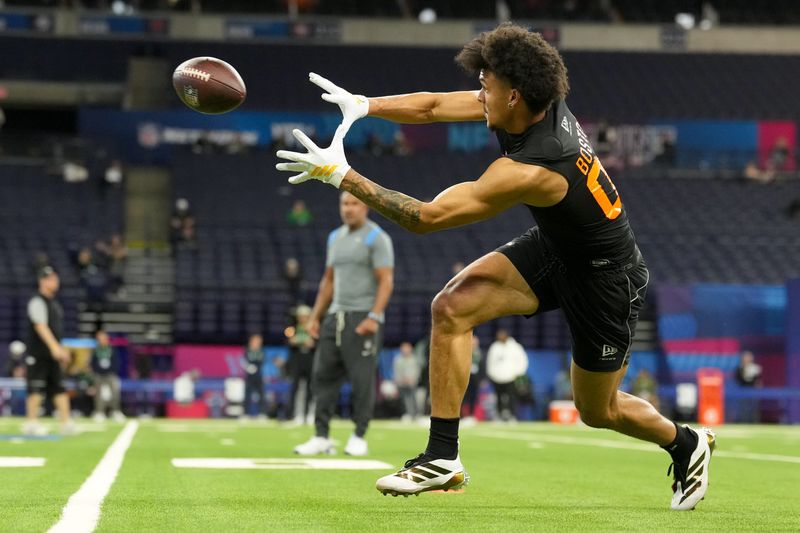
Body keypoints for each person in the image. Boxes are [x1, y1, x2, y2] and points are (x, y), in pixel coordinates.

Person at [276, 23, 715, 510]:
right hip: (557, 245)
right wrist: (365, 105)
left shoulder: (535, 167)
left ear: (514, 97)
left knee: (598, 409)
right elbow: (435, 106)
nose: (479, 92)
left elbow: (428, 217)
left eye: (487, 85)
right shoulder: (526, 104)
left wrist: (342, 176)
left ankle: (685, 442)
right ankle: (442, 456)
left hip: (604, 277)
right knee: (451, 307)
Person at [293, 191, 394, 457]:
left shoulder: (377, 238)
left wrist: (374, 316)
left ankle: (359, 436)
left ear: (366, 207)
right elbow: (328, 280)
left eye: (354, 204)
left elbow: (386, 280)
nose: (349, 209)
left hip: (362, 317)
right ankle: (320, 436)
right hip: (334, 317)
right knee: (321, 378)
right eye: (345, 203)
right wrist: (315, 317)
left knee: (362, 381)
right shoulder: (334, 237)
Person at [22, 266, 76, 436]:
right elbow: (41, 326)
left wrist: (60, 349)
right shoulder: (37, 301)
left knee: (59, 387)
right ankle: (31, 423)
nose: (54, 282)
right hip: (39, 353)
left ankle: (66, 422)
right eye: (50, 279)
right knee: (36, 388)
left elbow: (56, 330)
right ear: (42, 281)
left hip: (53, 354)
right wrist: (55, 348)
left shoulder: (54, 304)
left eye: (55, 278)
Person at [486, 329, 528, 421]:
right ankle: (499, 416)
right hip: (497, 378)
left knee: (512, 398)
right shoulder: (494, 347)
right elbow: (490, 362)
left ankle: (512, 416)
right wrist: (492, 375)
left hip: (511, 378)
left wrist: (518, 373)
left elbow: (523, 361)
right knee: (498, 397)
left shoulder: (515, 347)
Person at [286, 305, 316, 424]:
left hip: (310, 360)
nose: (303, 318)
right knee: (295, 388)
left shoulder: (313, 327)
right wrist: (299, 341)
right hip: (297, 361)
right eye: (301, 316)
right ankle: (294, 415)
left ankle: (309, 414)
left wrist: (312, 343)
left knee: (310, 389)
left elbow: (317, 342)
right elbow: (289, 340)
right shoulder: (292, 328)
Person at [91, 329, 125, 422]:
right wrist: (97, 371)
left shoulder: (112, 349)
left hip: (111, 374)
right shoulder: (96, 350)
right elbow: (93, 363)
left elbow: (116, 362)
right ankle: (99, 412)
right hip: (99, 374)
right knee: (98, 394)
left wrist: (112, 371)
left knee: (115, 393)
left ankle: (116, 411)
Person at [393, 341, 421, 421]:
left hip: (412, 383)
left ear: (410, 349)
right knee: (403, 398)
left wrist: (412, 379)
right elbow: (396, 372)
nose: (405, 350)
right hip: (401, 384)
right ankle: (406, 414)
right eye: (403, 348)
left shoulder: (414, 359)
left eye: (407, 348)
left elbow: (417, 372)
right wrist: (402, 380)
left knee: (412, 396)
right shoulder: (398, 360)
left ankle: (415, 414)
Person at [241, 333, 267, 417]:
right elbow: (243, 360)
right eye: (255, 340)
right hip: (249, 376)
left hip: (259, 375)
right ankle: (246, 413)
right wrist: (247, 367)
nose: (257, 342)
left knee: (261, 394)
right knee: (247, 394)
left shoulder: (261, 351)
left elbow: (262, 361)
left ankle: (262, 413)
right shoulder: (247, 350)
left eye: (259, 341)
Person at [734, 350, 762, 423]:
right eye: (745, 357)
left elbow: (758, 380)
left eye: (749, 357)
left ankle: (755, 422)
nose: (747, 359)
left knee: (753, 408)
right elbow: (737, 379)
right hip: (742, 391)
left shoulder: (755, 368)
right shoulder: (739, 368)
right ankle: (743, 422)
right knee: (743, 408)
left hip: (753, 391)